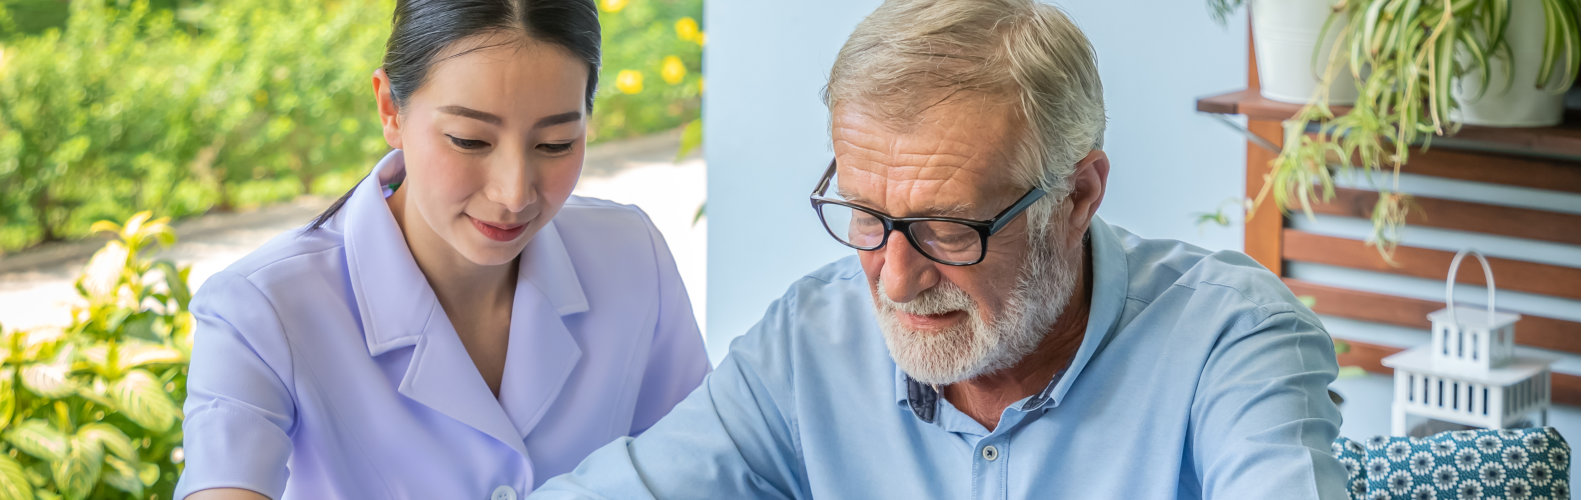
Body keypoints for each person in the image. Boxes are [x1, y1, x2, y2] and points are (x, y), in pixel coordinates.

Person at [533, 0, 1348, 498]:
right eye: (865, 216)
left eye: (948, 229)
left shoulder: (1229, 341)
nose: (894, 278)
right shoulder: (810, 344)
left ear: (1078, 196)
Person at [173, 1, 709, 498]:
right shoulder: (258, 312)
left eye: (556, 144)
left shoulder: (630, 254)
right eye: (470, 140)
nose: (514, 193)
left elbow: (702, 468)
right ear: (390, 109)